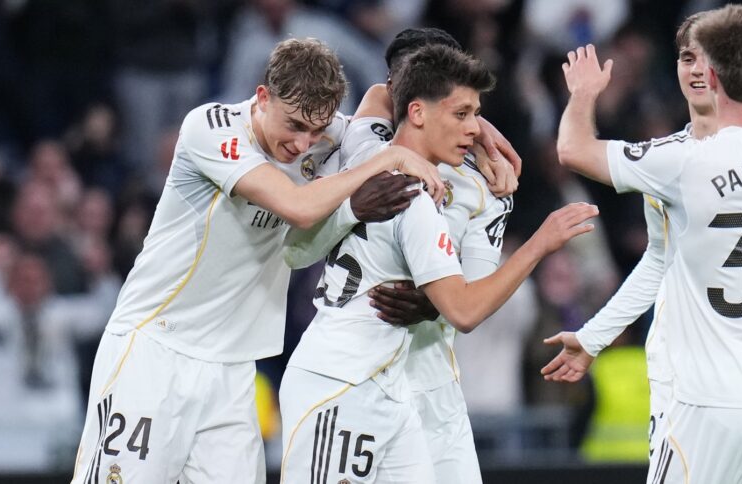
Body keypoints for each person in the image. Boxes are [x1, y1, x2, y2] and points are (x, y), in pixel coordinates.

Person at [70, 38, 445, 484]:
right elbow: (297, 207)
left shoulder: (322, 134)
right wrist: (385, 159)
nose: (303, 142)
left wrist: (480, 134)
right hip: (154, 349)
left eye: (316, 129)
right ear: (263, 97)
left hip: (233, 369)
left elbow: (384, 97)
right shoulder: (210, 130)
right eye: (294, 125)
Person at [278, 44, 598, 483]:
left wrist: (435, 298)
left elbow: (380, 98)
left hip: (393, 383)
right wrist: (540, 243)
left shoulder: (368, 148)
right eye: (461, 114)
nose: (472, 129)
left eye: (475, 115)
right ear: (417, 111)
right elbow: (465, 310)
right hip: (341, 380)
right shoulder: (417, 197)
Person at [550, 5, 742, 482]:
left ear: (715, 76)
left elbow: (572, 150)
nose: (693, 69)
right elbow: (661, 258)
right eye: (684, 57)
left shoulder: (679, 162)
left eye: (701, 59)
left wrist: (583, 94)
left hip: (704, 402)